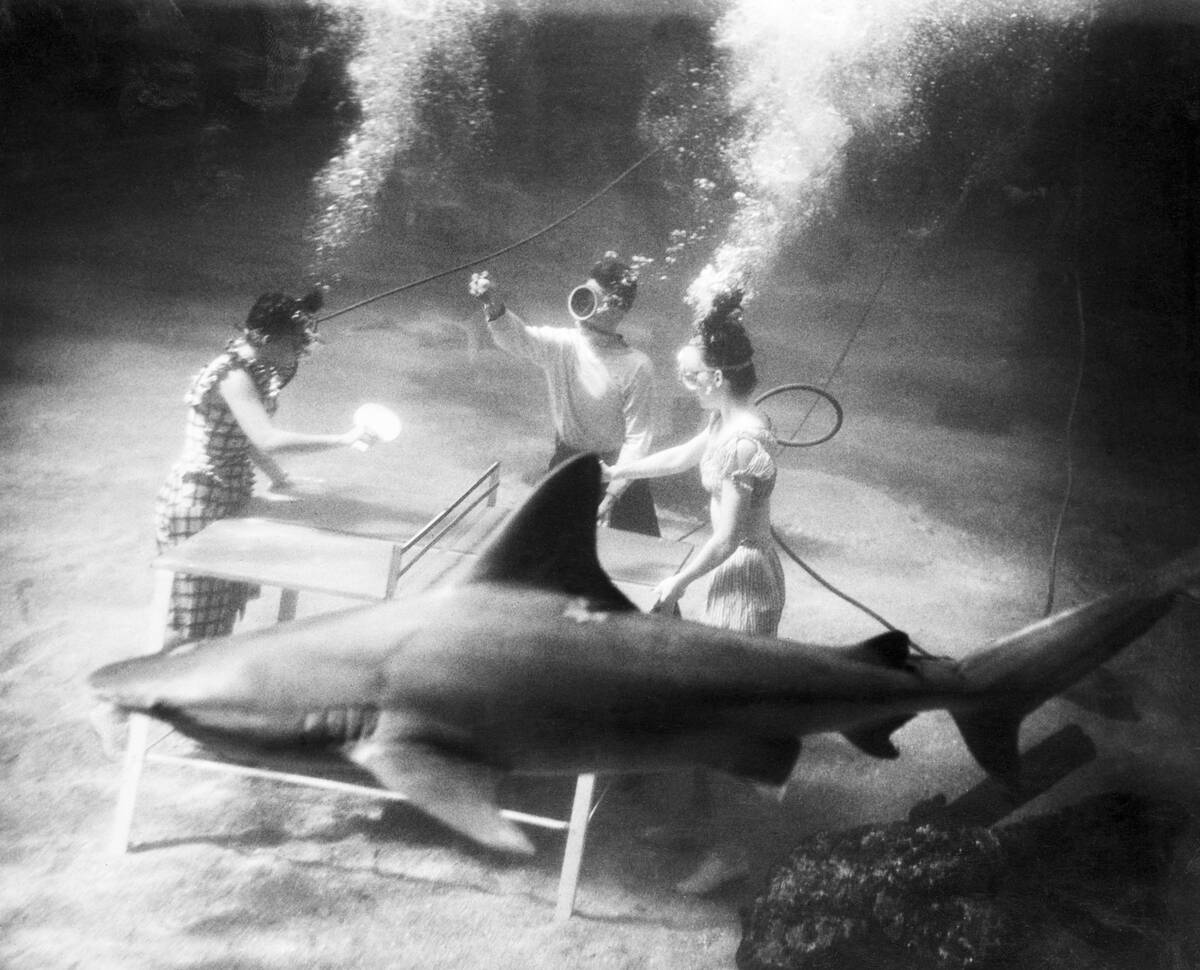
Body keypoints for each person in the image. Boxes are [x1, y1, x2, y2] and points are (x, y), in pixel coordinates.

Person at [602, 284, 785, 894]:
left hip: (742, 580)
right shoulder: (723, 422)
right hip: (723, 575)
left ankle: (731, 849)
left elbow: (730, 537)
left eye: (688, 375)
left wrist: (676, 579)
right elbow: (682, 457)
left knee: (726, 721)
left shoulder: (743, 440)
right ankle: (689, 822)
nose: (684, 382)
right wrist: (619, 468)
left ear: (714, 377)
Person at [154, 286, 374, 647]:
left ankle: (196, 692)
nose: (295, 355)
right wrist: (345, 439)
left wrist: (279, 478)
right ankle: (150, 691)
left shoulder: (252, 367)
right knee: (192, 622)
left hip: (230, 496)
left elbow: (246, 439)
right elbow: (265, 438)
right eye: (292, 345)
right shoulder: (232, 375)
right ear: (266, 337)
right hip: (197, 502)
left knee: (221, 611)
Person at [468, 253, 660, 536]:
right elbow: (518, 338)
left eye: (592, 297)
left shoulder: (637, 366)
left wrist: (612, 496)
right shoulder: (563, 346)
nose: (582, 303)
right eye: (584, 293)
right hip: (567, 464)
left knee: (630, 560)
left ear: (617, 308)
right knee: (543, 556)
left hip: (620, 474)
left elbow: (638, 439)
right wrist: (493, 305)